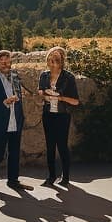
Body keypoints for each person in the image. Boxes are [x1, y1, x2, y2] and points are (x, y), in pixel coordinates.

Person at [0, 49, 28, 191]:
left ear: (10, 62)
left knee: (14, 153)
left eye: (7, 61)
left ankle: (13, 181)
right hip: (1, 122)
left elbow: (18, 96)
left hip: (16, 120)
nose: (5, 64)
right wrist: (3, 102)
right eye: (2, 62)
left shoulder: (15, 77)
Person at [37, 46, 80, 186]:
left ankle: (65, 177)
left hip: (62, 115)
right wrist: (43, 95)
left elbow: (75, 101)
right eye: (50, 57)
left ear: (62, 60)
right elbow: (41, 94)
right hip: (48, 114)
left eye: (56, 58)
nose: (53, 60)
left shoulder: (68, 77)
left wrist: (60, 98)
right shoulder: (44, 75)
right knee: (49, 146)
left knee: (62, 146)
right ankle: (51, 177)